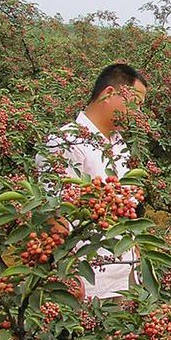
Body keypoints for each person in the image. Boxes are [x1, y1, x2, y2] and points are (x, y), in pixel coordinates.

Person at [37, 63, 148, 300]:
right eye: (135, 104)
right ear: (109, 94)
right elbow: (53, 215)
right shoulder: (65, 142)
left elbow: (126, 208)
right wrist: (66, 274)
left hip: (123, 275)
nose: (138, 114)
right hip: (86, 282)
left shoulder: (120, 146)